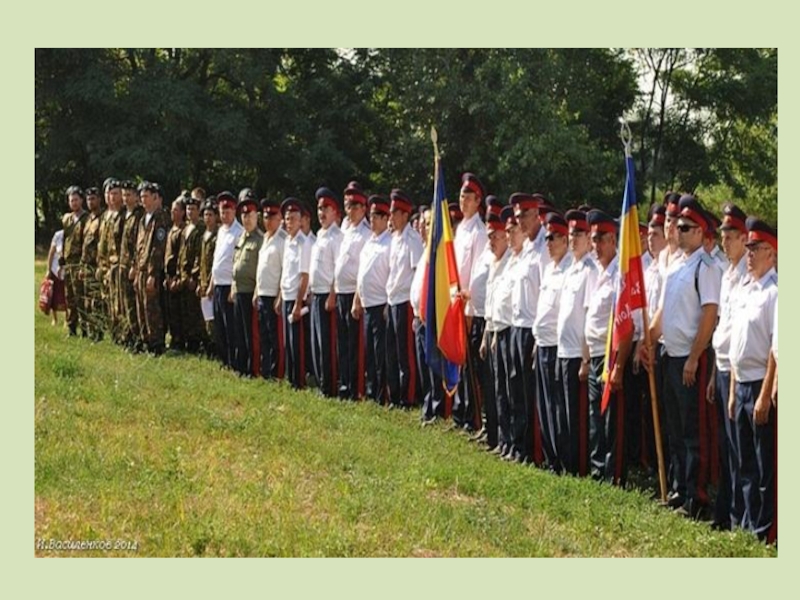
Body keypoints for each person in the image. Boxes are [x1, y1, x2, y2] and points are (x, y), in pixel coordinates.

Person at [644, 195, 721, 518]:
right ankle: (678, 486)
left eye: (687, 227)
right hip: (669, 355)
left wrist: (693, 357)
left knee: (693, 431)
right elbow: (663, 311)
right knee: (674, 426)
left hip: (691, 360)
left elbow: (709, 315)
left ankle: (696, 497)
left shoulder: (706, 267)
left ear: (701, 232)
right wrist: (648, 340)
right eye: (678, 226)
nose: (679, 230)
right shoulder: (676, 265)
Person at [729, 217, 778, 542]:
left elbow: (776, 347)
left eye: (755, 248)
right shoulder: (745, 289)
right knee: (745, 461)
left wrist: (764, 394)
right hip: (741, 381)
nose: (748, 254)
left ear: (771, 253)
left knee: (763, 465)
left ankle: (764, 530)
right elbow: (737, 344)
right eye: (747, 248)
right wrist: (734, 390)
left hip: (760, 382)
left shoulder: (775, 292)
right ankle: (747, 524)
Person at [707, 202, 748, 531]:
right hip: (720, 367)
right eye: (723, 235)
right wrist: (712, 375)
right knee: (724, 444)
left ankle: (739, 516)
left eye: (731, 236)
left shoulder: (749, 274)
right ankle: (725, 510)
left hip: (739, 372)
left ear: (745, 238)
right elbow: (721, 326)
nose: (725, 241)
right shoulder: (727, 273)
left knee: (739, 448)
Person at [585, 209, 631, 485]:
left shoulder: (619, 276)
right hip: (594, 354)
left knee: (612, 420)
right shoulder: (597, 272)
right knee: (596, 416)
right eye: (593, 240)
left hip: (611, 356)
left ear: (613, 240)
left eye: (601, 239)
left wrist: (619, 366)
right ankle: (597, 469)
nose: (596, 246)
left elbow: (628, 327)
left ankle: (613, 475)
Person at [555, 209, 597, 476]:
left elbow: (588, 316)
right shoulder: (571, 268)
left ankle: (578, 467)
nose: (573, 239)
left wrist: (585, 358)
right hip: (563, 349)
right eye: (571, 234)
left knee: (577, 415)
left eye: (578, 234)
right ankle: (565, 463)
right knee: (563, 411)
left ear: (589, 238)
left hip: (577, 353)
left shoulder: (590, 270)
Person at [534, 212, 573, 473]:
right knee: (545, 404)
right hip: (542, 343)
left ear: (565, 240)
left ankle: (562, 459)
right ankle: (551, 457)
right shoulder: (549, 268)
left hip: (557, 346)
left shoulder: (570, 269)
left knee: (558, 405)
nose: (548, 243)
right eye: (546, 238)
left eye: (553, 238)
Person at [452, 173, 488, 430]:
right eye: (462, 196)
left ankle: (473, 416)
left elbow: (476, 273)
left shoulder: (479, 232)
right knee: (458, 360)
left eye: (468, 197)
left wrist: (468, 308)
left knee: (471, 365)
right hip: (455, 303)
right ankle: (459, 411)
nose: (463, 201)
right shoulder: (460, 230)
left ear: (477, 201)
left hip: (469, 306)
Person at [385, 189, 424, 408]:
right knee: (392, 350)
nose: (390, 216)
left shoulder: (412, 240)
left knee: (405, 353)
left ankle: (407, 396)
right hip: (392, 300)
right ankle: (395, 394)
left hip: (405, 301)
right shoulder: (394, 239)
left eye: (394, 212)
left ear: (404, 215)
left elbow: (417, 273)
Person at [333, 181, 371, 400]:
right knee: (343, 342)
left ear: (363, 208)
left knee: (355, 343)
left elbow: (363, 270)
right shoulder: (344, 229)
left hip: (354, 293)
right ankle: (345, 383)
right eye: (348, 206)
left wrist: (357, 297)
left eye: (355, 206)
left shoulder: (366, 233)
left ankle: (356, 387)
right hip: (340, 291)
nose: (351, 210)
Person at [353, 195, 392, 404]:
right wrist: (357, 299)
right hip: (367, 303)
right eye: (372, 215)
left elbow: (392, 275)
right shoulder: (369, 242)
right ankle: (371, 389)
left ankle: (381, 394)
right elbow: (361, 274)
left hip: (380, 304)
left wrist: (387, 304)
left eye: (377, 216)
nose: (373, 219)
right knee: (369, 350)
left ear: (386, 218)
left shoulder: (390, 243)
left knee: (380, 352)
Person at [309, 188, 344, 397]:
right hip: (316, 293)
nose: (321, 212)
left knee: (327, 344)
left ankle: (330, 386)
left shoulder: (336, 237)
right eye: (319, 208)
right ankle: (322, 382)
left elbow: (338, 270)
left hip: (327, 296)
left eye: (325, 208)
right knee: (316, 343)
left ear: (334, 211)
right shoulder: (320, 235)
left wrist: (332, 294)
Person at [133, 182, 170, 355]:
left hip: (151, 271)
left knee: (152, 307)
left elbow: (158, 248)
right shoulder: (143, 219)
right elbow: (139, 247)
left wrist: (153, 274)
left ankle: (157, 343)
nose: (143, 200)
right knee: (141, 307)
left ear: (155, 198)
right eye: (141, 197)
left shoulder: (160, 218)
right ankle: (145, 339)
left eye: (146, 196)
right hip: (141, 269)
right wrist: (136, 268)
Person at [279, 198, 312, 389]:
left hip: (296, 298)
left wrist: (299, 304)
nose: (289, 223)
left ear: (300, 221)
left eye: (293, 219)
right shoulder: (287, 241)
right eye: (287, 219)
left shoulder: (303, 243)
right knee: (288, 342)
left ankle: (299, 381)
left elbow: (304, 276)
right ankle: (290, 377)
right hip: (286, 295)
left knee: (297, 342)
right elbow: (286, 271)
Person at [209, 191, 244, 368]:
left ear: (234, 210)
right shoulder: (221, 231)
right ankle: (223, 360)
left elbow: (238, 261)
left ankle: (233, 361)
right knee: (219, 326)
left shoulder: (239, 232)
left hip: (229, 285)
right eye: (222, 211)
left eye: (227, 211)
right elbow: (216, 259)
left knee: (231, 326)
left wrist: (233, 287)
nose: (224, 214)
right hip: (218, 283)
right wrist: (211, 284)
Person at [231, 195, 264, 376]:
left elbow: (261, 270)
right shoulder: (241, 237)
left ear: (256, 216)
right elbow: (235, 263)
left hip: (251, 292)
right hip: (239, 290)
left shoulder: (260, 239)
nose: (247, 219)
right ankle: (241, 366)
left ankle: (253, 368)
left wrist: (257, 291)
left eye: (250, 215)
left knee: (251, 333)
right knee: (239, 331)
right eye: (244, 216)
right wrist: (233, 288)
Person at [255, 198, 287, 379]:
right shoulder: (265, 238)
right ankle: (265, 369)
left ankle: (277, 372)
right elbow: (261, 267)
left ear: (279, 218)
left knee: (275, 336)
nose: (268, 220)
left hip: (273, 294)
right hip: (262, 292)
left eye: (272, 217)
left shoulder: (282, 240)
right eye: (266, 217)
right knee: (264, 334)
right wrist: (256, 291)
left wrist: (280, 296)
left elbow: (284, 270)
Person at [178, 194, 206, 354]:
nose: (190, 212)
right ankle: (188, 339)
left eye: (193, 209)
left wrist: (193, 276)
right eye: (188, 209)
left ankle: (198, 342)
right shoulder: (186, 228)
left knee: (196, 311)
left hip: (193, 277)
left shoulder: (201, 229)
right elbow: (182, 253)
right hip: (183, 275)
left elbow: (199, 255)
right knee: (186, 310)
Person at [119, 180, 144, 350]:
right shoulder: (125, 214)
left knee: (134, 304)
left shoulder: (139, 216)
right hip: (123, 265)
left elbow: (138, 245)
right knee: (125, 303)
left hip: (133, 267)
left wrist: (134, 266)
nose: (125, 198)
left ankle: (137, 338)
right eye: (124, 195)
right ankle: (128, 335)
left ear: (136, 197)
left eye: (129, 195)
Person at [61, 185, 88, 337]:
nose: (74, 203)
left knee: (80, 296)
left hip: (80, 261)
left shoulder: (87, 218)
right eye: (71, 200)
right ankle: (71, 327)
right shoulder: (67, 219)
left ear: (81, 200)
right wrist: (61, 258)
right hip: (68, 261)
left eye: (76, 200)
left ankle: (85, 328)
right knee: (69, 296)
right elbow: (64, 239)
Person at [80, 187, 105, 341]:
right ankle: (90, 330)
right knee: (87, 300)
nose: (90, 202)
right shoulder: (89, 219)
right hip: (87, 265)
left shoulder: (103, 218)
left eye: (93, 199)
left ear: (99, 200)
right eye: (88, 199)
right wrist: (82, 265)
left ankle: (98, 332)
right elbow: (85, 244)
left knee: (97, 300)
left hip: (96, 265)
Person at [164, 196, 187, 350]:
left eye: (176, 210)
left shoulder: (183, 231)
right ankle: (173, 337)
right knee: (170, 310)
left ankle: (180, 340)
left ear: (182, 212)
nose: (173, 212)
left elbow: (181, 256)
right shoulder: (171, 229)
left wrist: (177, 277)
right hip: (168, 275)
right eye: (172, 210)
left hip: (177, 277)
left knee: (179, 311)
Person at [197, 198, 219, 357]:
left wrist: (211, 282)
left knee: (214, 319)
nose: (208, 218)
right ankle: (208, 345)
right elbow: (201, 260)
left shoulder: (218, 236)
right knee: (206, 318)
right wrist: (200, 281)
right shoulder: (204, 235)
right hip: (203, 281)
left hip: (214, 282)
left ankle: (216, 348)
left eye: (210, 215)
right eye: (205, 215)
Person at [46, 229, 67, 325]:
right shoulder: (58, 235)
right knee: (53, 295)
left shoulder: (73, 234)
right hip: (55, 269)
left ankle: (67, 319)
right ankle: (54, 319)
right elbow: (51, 253)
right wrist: (48, 269)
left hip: (66, 270)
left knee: (66, 295)